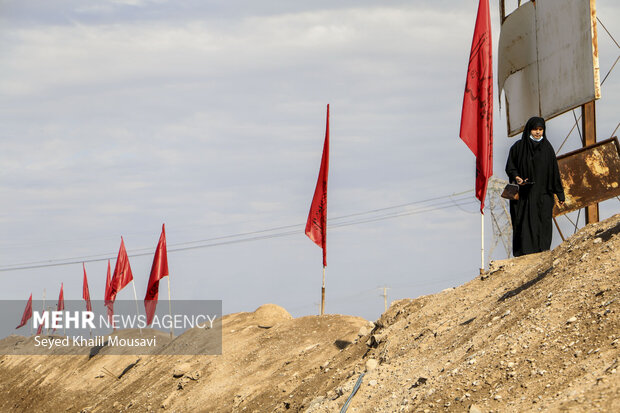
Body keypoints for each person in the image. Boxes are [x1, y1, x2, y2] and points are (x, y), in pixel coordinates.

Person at [505, 116, 565, 257]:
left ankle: (542, 252)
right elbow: (510, 167)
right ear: (528, 130)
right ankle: (524, 253)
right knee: (523, 223)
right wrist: (517, 178)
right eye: (534, 129)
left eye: (540, 129)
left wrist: (560, 193)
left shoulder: (547, 149)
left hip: (543, 194)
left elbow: (554, 173)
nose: (537, 132)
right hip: (524, 196)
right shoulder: (518, 148)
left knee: (543, 221)